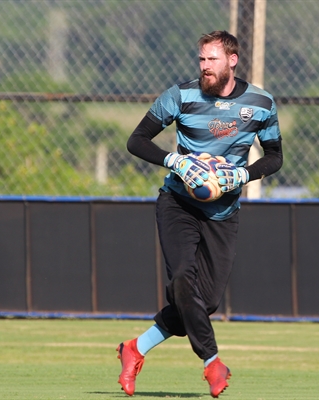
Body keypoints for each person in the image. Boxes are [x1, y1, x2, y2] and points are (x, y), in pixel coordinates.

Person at [118, 30, 283, 398]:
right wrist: (175, 160)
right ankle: (212, 362)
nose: (205, 67)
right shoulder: (181, 95)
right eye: (202, 60)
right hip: (178, 204)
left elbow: (274, 156)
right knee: (182, 280)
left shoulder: (261, 102)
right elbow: (136, 140)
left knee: (202, 303)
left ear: (232, 60)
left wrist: (243, 174)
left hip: (223, 214)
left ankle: (135, 349)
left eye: (212, 60)